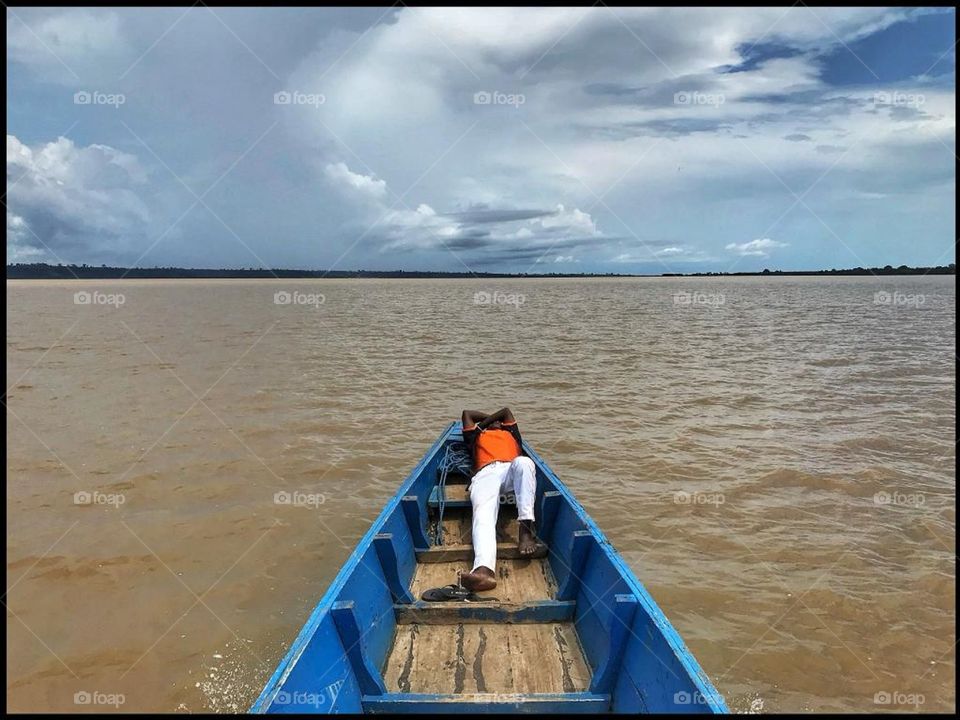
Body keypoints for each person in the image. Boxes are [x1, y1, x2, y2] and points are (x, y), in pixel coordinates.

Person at [458, 408, 546, 592]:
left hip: (511, 471)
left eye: (499, 421)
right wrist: (485, 425)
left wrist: (488, 421)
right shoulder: (475, 435)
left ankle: (525, 529)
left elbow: (506, 411)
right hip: (485, 473)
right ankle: (484, 570)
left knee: (525, 463)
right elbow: (467, 414)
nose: (497, 422)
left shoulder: (511, 432)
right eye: (493, 422)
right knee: (482, 513)